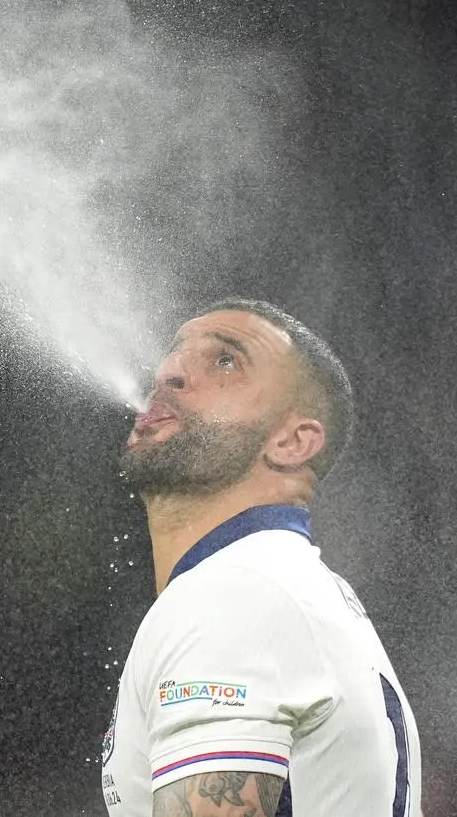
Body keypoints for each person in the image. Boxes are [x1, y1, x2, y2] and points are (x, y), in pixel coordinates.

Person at [101, 298, 423, 817]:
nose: (169, 372)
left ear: (293, 442)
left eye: (225, 360)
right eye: (175, 352)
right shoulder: (273, 584)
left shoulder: (236, 596)